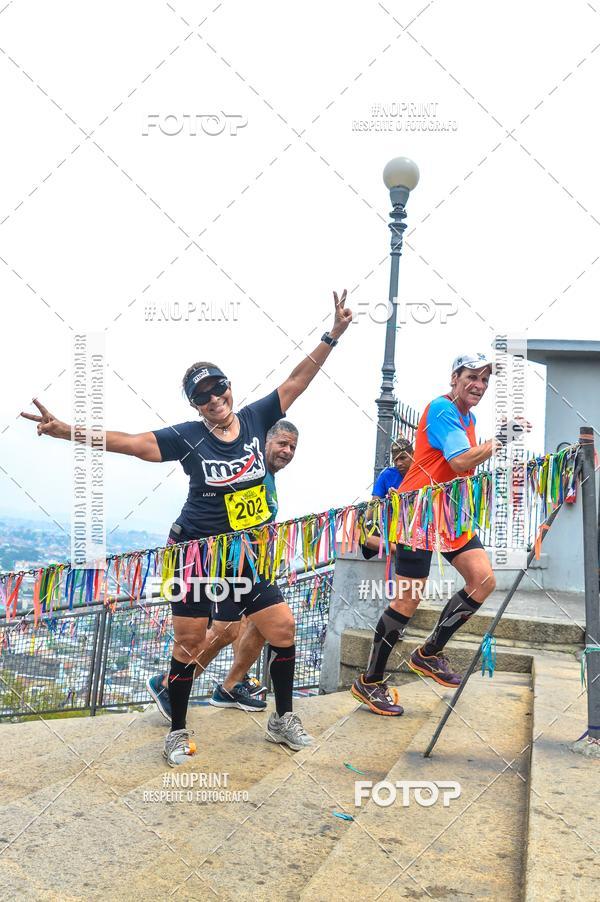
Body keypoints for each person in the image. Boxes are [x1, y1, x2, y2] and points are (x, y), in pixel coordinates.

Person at [21, 290, 352, 763]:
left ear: (229, 388)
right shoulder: (189, 436)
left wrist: (332, 335)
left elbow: (298, 380)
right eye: (203, 395)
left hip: (244, 551)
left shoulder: (259, 417)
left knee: (283, 628)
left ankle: (281, 720)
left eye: (219, 388)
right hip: (195, 552)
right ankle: (177, 729)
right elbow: (133, 443)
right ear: (195, 405)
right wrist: (65, 430)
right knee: (191, 642)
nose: (215, 398)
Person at [351, 352, 498, 716]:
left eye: (484, 379)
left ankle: (428, 654)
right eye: (472, 378)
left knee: (483, 580)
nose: (478, 385)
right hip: (417, 514)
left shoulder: (469, 416)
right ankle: (369, 681)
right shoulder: (442, 409)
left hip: (448, 515)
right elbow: (459, 461)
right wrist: (499, 442)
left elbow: (459, 469)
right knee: (407, 601)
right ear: (455, 378)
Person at [146, 420, 299, 718]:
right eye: (282, 443)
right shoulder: (249, 471)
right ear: (262, 442)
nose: (287, 451)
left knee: (247, 628)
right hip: (225, 563)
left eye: (292, 446)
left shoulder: (268, 476)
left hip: (250, 565)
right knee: (228, 630)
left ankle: (229, 686)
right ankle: (170, 685)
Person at [362, 437, 413, 559]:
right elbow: (372, 508)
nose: (398, 463)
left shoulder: (421, 472)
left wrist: (400, 497)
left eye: (403, 458)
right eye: (395, 460)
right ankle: (400, 550)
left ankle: (402, 548)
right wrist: (360, 522)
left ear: (413, 454)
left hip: (414, 526)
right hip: (390, 528)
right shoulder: (386, 474)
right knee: (361, 535)